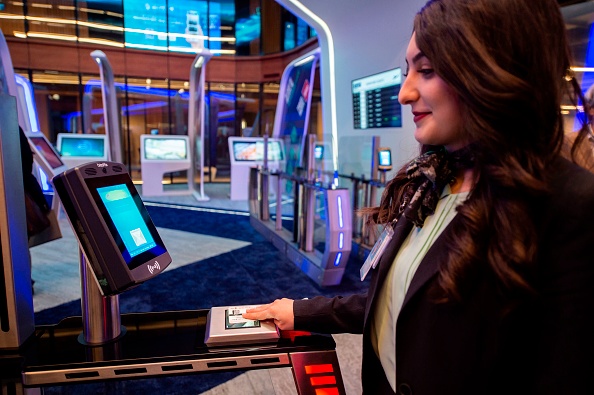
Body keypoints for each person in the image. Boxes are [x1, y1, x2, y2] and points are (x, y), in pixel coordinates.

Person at [243, 0, 594, 393]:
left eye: (426, 71)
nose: (404, 93)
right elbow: (402, 304)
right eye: (407, 71)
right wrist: (301, 311)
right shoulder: (436, 180)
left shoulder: (572, 208)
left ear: (491, 68)